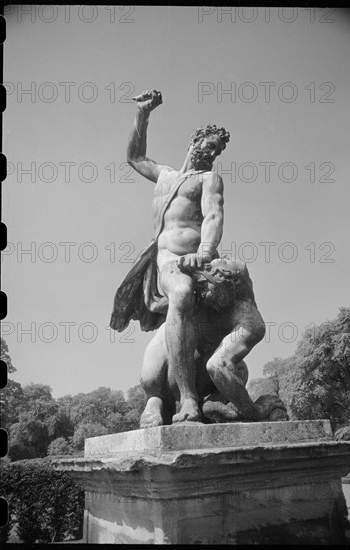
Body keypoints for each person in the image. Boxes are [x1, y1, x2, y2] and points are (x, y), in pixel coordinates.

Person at [111, 89, 230, 423]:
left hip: (200, 262)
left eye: (217, 151)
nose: (212, 153)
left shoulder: (209, 179)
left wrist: (205, 252)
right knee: (180, 292)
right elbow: (135, 157)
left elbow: (213, 216)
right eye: (209, 145)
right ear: (194, 142)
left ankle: (219, 386)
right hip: (167, 261)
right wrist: (143, 114)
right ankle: (187, 398)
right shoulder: (164, 176)